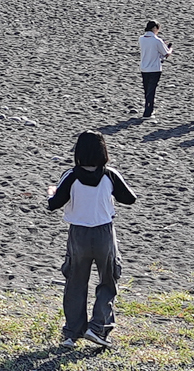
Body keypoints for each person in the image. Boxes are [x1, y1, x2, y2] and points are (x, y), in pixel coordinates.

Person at [46, 132, 136, 349]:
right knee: (108, 280)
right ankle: (97, 327)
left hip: (78, 234)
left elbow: (54, 204)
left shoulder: (70, 175)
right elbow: (130, 198)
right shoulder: (110, 175)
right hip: (104, 232)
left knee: (75, 282)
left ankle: (72, 332)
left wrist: (52, 193)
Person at [138, 21, 170, 118]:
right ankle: (148, 112)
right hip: (154, 68)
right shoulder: (157, 40)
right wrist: (169, 49)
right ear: (155, 28)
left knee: (147, 90)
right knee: (151, 91)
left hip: (144, 67)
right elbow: (166, 53)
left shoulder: (141, 39)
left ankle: (147, 109)